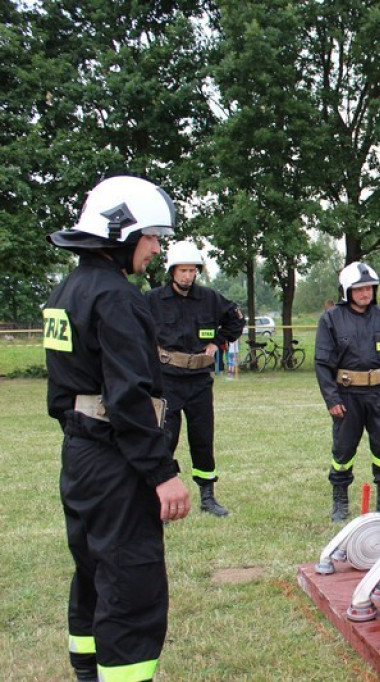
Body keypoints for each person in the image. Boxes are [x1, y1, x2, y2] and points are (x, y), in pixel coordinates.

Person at [43, 176, 191, 682]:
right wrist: (162, 472)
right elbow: (127, 398)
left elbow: (64, 390)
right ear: (121, 232)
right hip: (117, 463)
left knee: (92, 574)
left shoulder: (67, 291)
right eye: (150, 236)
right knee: (131, 586)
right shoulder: (117, 298)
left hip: (79, 456)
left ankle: (87, 672)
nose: (155, 248)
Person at [145, 241, 245, 517]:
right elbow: (134, 327)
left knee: (203, 438)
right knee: (166, 438)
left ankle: (208, 496)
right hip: (167, 380)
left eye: (193, 270)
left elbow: (237, 320)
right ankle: (159, 498)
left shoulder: (210, 299)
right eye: (183, 270)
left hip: (200, 381)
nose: (188, 275)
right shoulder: (152, 300)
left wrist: (218, 341)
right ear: (172, 271)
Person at [315, 262, 380, 521]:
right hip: (347, 396)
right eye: (359, 290)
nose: (365, 294)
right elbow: (323, 364)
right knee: (344, 449)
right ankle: (340, 502)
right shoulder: (331, 320)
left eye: (369, 288)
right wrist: (331, 399)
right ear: (347, 291)